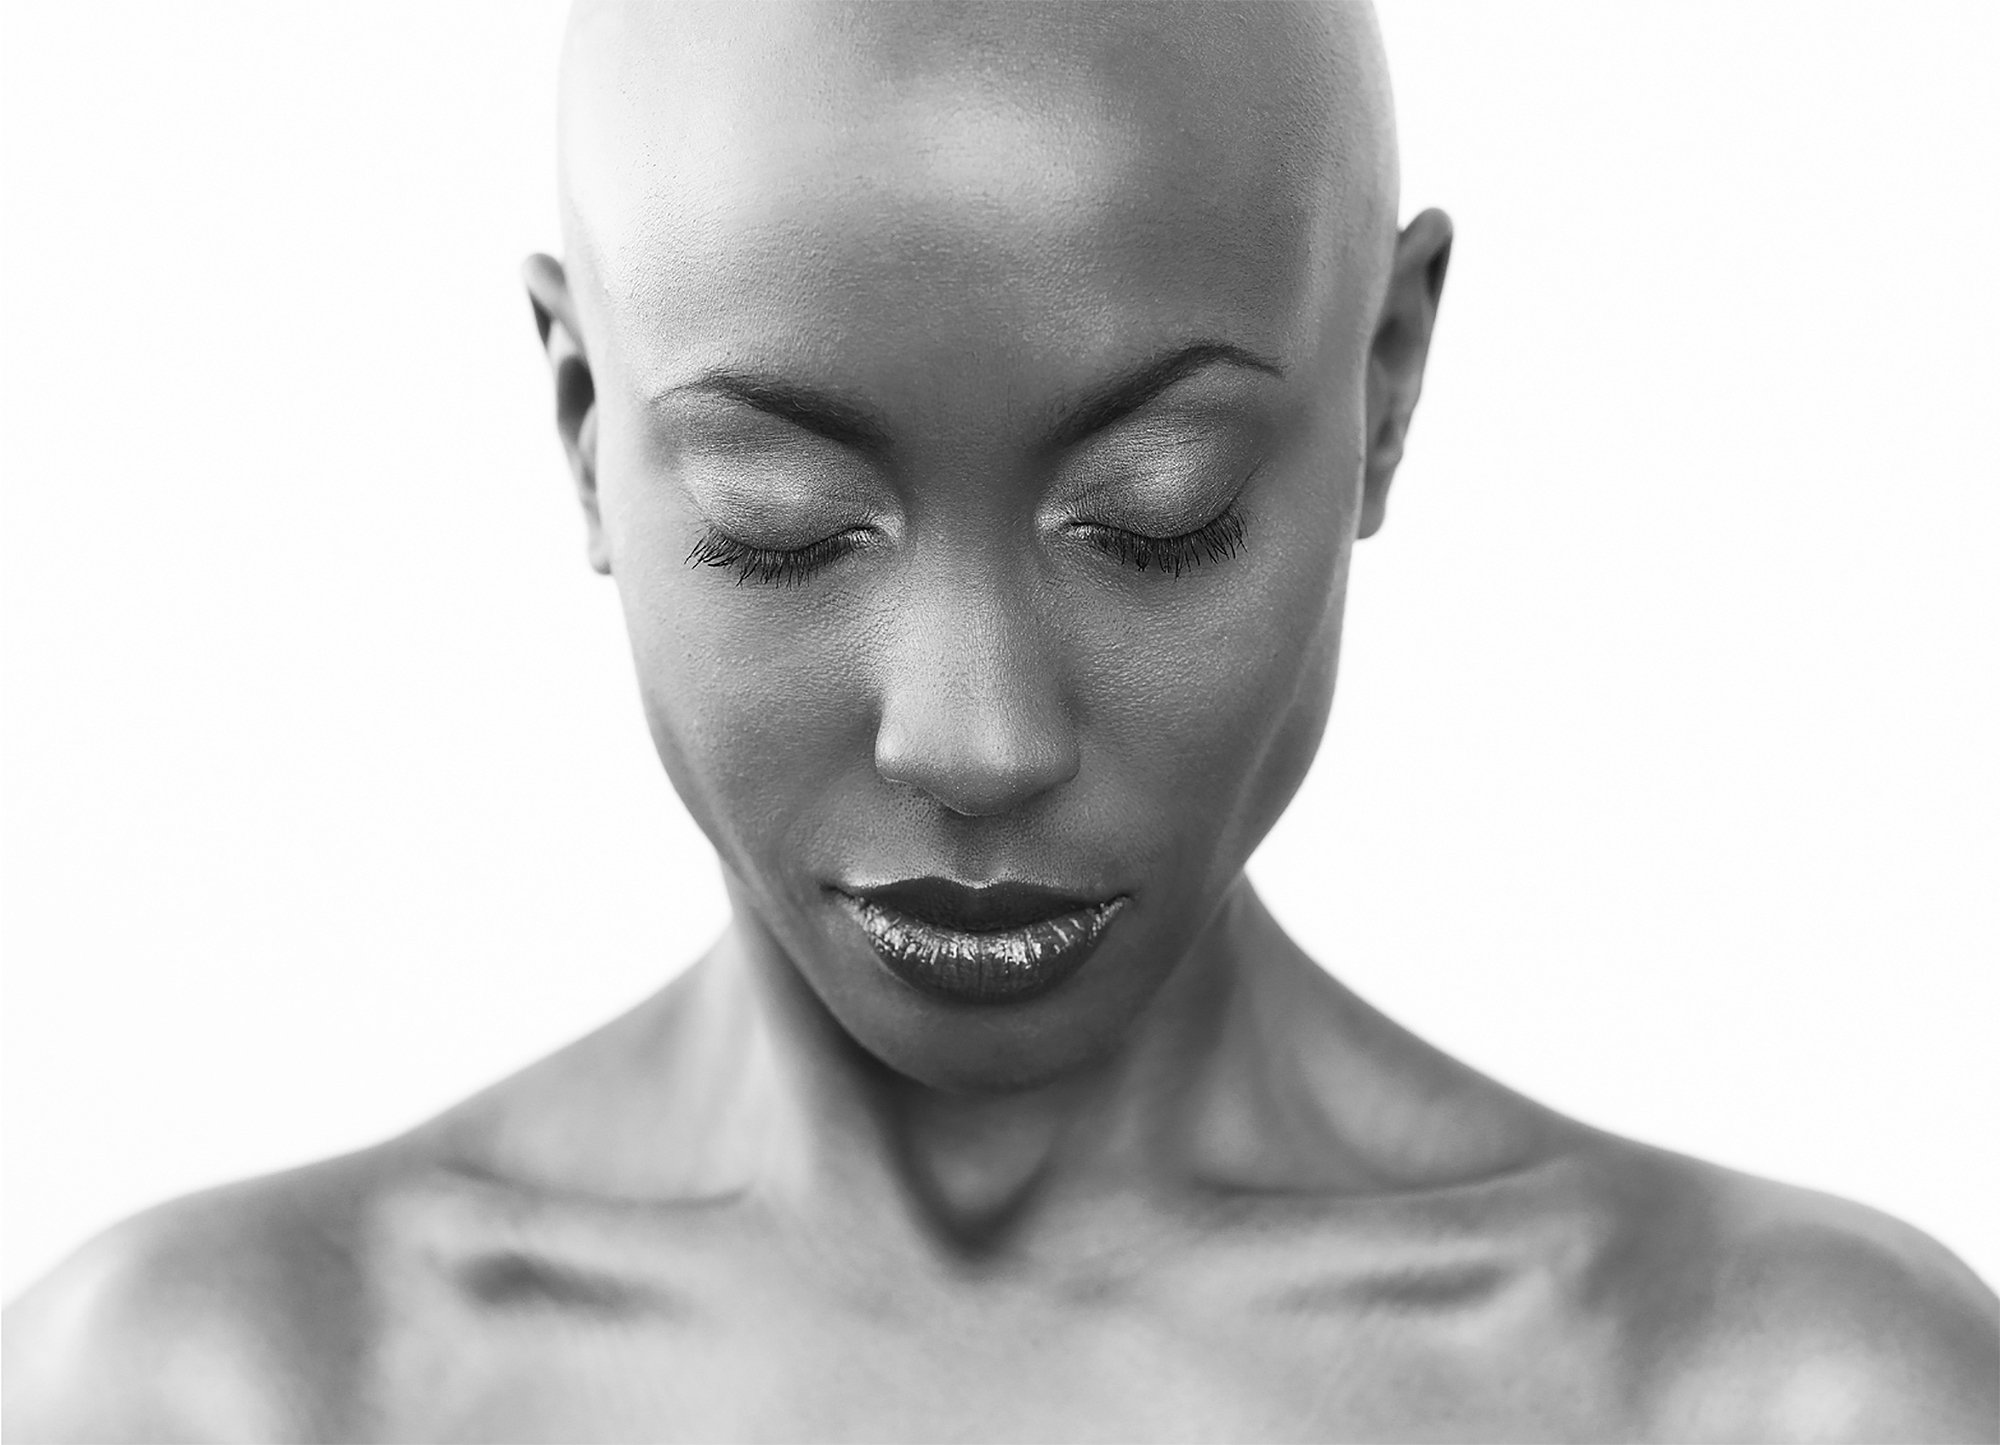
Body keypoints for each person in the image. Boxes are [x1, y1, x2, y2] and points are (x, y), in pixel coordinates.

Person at [5, 3, 1995, 1440]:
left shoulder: (1776, 1402)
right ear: (582, 423)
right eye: (779, 530)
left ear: (1383, 381)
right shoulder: (215, 1397)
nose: (974, 737)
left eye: (1159, 514)